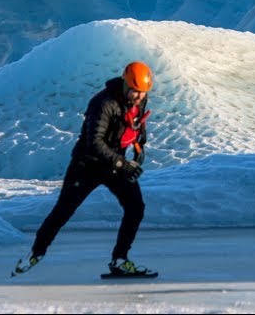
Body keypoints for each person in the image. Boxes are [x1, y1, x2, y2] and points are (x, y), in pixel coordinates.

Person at [13, 61, 156, 277]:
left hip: (114, 164)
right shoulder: (103, 103)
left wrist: (138, 148)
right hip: (87, 165)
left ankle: (120, 260)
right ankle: (36, 252)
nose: (139, 97)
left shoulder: (139, 101)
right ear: (126, 84)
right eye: (136, 91)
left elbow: (136, 126)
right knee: (64, 210)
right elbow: (95, 143)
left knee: (136, 207)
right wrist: (122, 164)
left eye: (143, 93)